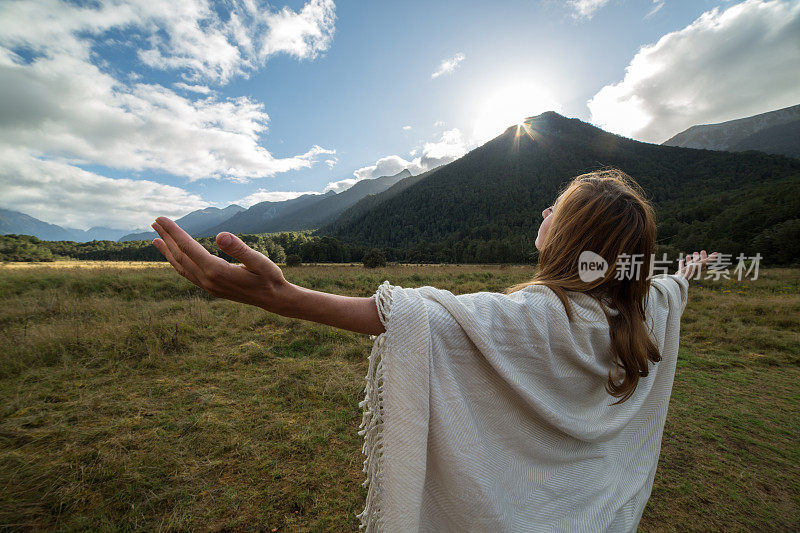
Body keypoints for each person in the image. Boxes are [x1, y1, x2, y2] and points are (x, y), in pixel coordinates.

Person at [151, 168, 718, 532]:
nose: (544, 214)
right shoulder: (642, 313)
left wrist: (282, 296)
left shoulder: (534, 316)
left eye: (556, 209)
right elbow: (669, 285)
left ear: (571, 237)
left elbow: (407, 315)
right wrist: (689, 270)